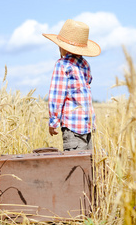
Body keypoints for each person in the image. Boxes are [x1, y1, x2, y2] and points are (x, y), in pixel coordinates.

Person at [42, 19, 101, 151]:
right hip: (88, 125)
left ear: (62, 47)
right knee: (87, 166)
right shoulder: (85, 64)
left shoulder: (62, 65)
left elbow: (57, 95)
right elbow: (88, 81)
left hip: (73, 126)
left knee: (74, 166)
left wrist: (53, 121)